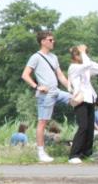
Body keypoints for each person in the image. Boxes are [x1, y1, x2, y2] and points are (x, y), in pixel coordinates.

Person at [22, 30, 73, 163]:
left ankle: (89, 136)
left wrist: (71, 88)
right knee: (42, 122)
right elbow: (25, 75)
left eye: (53, 39)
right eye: (50, 40)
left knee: (79, 101)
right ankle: (41, 152)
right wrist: (36, 86)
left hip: (56, 91)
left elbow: (60, 75)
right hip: (45, 94)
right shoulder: (36, 57)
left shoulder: (54, 57)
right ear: (43, 41)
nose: (53, 42)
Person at [67, 45, 98, 164]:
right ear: (74, 56)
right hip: (80, 99)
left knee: (89, 128)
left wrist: (85, 55)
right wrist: (83, 53)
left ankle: (86, 153)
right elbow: (86, 65)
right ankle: (74, 154)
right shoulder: (73, 67)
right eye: (79, 54)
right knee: (83, 126)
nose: (83, 55)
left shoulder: (85, 67)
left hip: (90, 98)